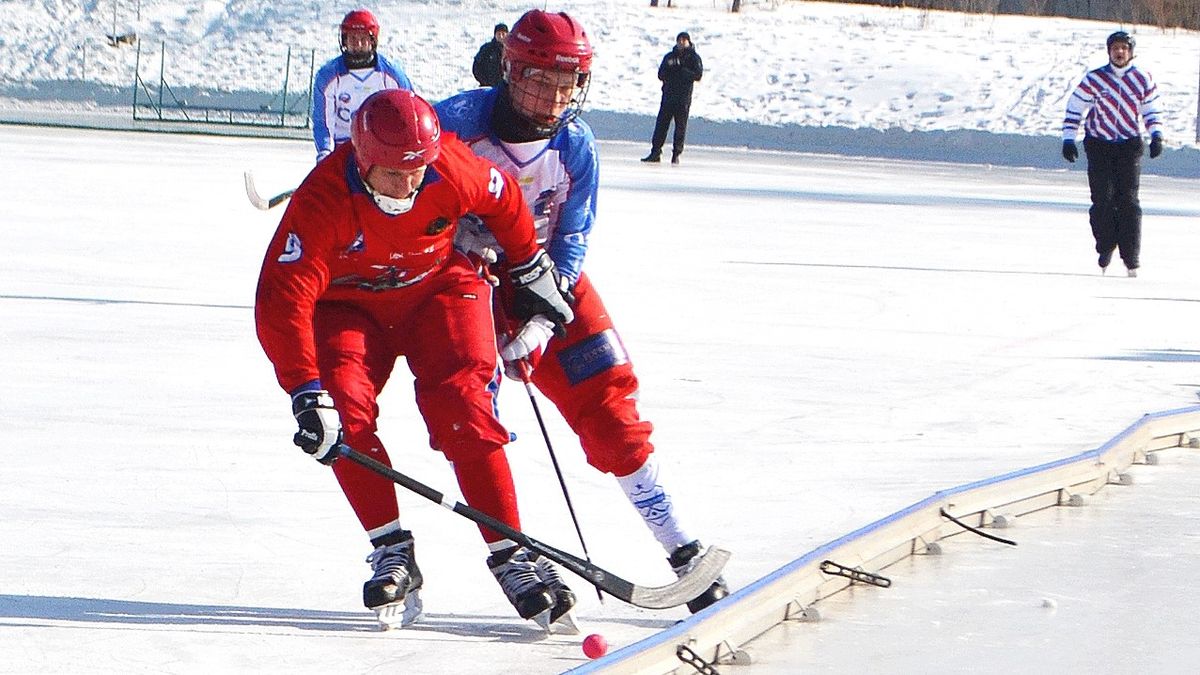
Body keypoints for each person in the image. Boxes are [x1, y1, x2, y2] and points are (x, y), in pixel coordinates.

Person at [437, 9, 728, 615]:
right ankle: (511, 553)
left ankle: (680, 547)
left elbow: (573, 234)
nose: (554, 96)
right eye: (541, 79)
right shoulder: (455, 124)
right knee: (472, 414)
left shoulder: (576, 144)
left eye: (568, 83)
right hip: (462, 280)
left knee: (609, 402)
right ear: (510, 71)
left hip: (546, 280)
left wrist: (546, 312)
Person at [255, 89, 577, 631]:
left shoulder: (448, 167)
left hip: (439, 291)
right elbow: (282, 299)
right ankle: (391, 548)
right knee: (343, 418)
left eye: (419, 170)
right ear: (361, 159)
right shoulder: (321, 201)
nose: (411, 184)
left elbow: (505, 203)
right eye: (395, 172)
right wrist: (305, 391)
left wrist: (526, 266)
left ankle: (511, 552)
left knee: (465, 407)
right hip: (349, 306)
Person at [1061, 30, 1164, 277]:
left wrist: (1157, 135)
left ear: (1131, 52)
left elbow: (1151, 109)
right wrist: (1068, 138)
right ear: (1109, 51)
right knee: (1102, 200)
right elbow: (1075, 106)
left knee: (1128, 201)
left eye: (1124, 48)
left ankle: (1131, 256)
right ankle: (1106, 246)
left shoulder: (1142, 79)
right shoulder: (1095, 79)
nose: (1119, 52)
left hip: (1129, 145)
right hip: (1099, 144)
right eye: (1115, 48)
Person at [311, 9, 415, 163]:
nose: (358, 44)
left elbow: (409, 112)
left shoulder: (391, 75)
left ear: (373, 40)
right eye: (352, 38)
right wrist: (325, 154)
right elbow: (324, 123)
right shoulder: (328, 76)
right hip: (342, 148)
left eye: (363, 38)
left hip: (380, 148)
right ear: (344, 40)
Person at [641, 31, 703, 165]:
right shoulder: (670, 57)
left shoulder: (693, 58)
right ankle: (655, 152)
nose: (681, 42)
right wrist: (671, 71)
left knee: (680, 127)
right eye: (679, 40)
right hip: (668, 96)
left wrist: (683, 72)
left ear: (688, 42)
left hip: (683, 98)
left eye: (684, 40)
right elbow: (661, 74)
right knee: (661, 125)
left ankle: (676, 154)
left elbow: (697, 75)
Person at [472, 23, 508, 88]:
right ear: (495, 35)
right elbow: (476, 66)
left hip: (506, 87)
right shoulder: (487, 48)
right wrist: (484, 82)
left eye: (503, 34)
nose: (501, 36)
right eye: (498, 34)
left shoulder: (511, 49)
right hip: (489, 87)